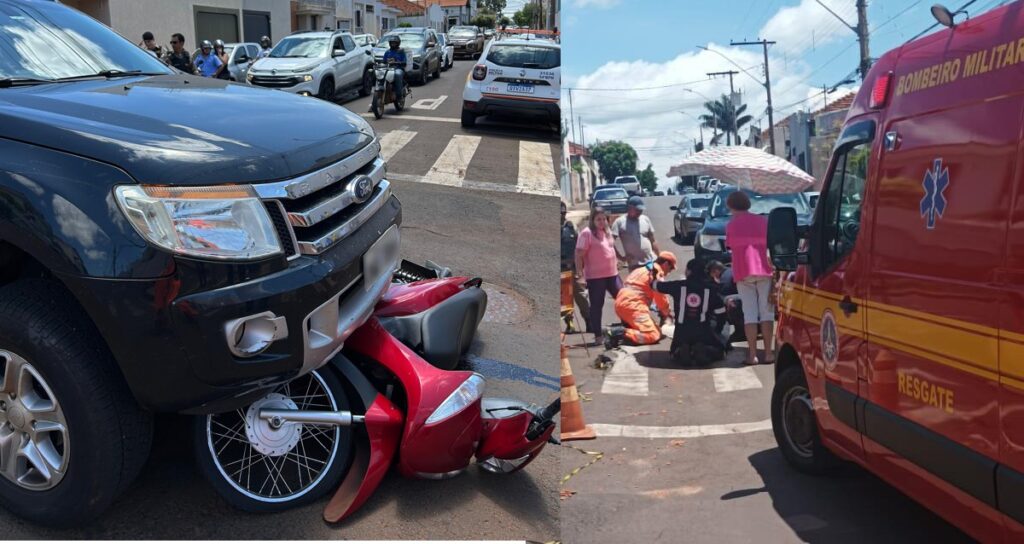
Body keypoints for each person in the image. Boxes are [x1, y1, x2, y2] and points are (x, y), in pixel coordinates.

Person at [724, 191, 775, 365]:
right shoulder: (763, 221)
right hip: (764, 269)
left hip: (743, 272)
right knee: (767, 313)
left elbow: (729, 245)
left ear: (731, 206)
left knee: (750, 315)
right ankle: (768, 353)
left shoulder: (731, 225)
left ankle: (752, 355)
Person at [657, 259, 730, 366]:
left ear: (689, 272)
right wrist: (717, 332)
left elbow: (655, 285)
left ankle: (681, 350)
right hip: (704, 333)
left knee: (674, 351)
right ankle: (705, 350)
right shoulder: (712, 290)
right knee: (720, 350)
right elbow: (721, 315)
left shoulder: (677, 286)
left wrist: (654, 272)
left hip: (682, 334)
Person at [605, 251, 677, 349]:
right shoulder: (656, 273)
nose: (669, 272)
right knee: (653, 334)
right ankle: (617, 333)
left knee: (656, 329)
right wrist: (666, 313)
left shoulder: (643, 269)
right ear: (665, 264)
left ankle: (624, 331)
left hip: (622, 304)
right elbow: (661, 297)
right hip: (633, 307)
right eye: (671, 268)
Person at [576, 206, 619, 346]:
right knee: (596, 306)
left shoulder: (607, 232)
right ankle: (598, 336)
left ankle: (627, 327)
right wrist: (580, 275)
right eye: (598, 219)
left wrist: (621, 258)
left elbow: (611, 248)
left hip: (612, 274)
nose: (601, 222)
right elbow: (578, 255)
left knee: (623, 299)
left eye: (603, 219)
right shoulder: (586, 233)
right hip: (596, 277)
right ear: (592, 220)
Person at [561, 201, 591, 334]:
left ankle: (589, 322)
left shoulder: (571, 227)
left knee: (581, 295)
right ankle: (569, 323)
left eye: (563, 212)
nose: (562, 215)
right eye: (559, 212)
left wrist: (583, 267)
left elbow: (580, 248)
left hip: (574, 268)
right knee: (566, 298)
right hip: (561, 269)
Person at [612, 196, 660, 271]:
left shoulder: (645, 219)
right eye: (637, 210)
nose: (640, 212)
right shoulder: (619, 222)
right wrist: (621, 258)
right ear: (630, 208)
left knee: (654, 282)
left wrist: (659, 256)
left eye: (641, 210)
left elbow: (653, 240)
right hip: (634, 265)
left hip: (651, 261)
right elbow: (610, 243)